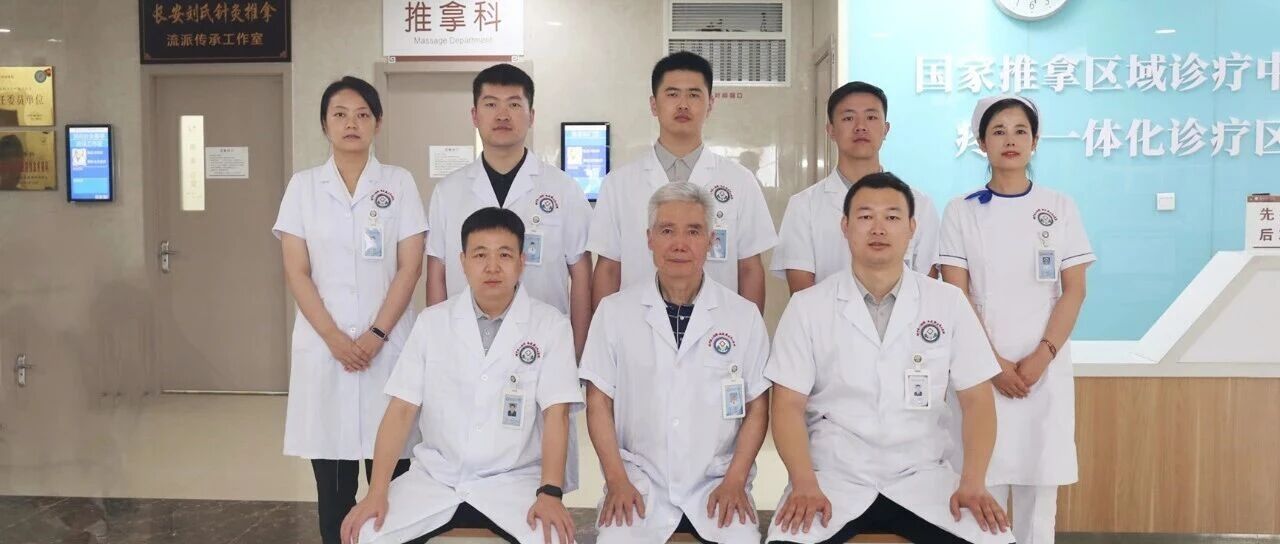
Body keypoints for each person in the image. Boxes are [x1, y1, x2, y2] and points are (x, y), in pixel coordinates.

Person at [766, 172, 1012, 544]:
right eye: (865, 216)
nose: (878, 228)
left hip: (923, 476)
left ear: (912, 228)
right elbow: (786, 405)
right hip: (833, 477)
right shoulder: (807, 307)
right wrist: (803, 482)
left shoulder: (947, 302)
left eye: (892, 217)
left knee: (994, 540)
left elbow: (977, 400)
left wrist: (974, 482)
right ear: (845, 227)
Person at [343, 207, 580, 544]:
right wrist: (376, 492)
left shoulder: (550, 325)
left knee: (552, 539)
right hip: (436, 478)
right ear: (463, 262)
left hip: (513, 481)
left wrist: (551, 493)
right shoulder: (432, 322)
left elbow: (557, 415)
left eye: (504, 255)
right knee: (366, 534)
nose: (492, 267)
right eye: (480, 255)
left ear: (522, 262)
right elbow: (401, 410)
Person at [271, 76, 428, 544]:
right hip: (327, 353)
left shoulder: (398, 183)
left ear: (377, 122)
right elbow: (297, 271)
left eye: (362, 114)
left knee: (396, 484)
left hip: (387, 349)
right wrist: (336, 339)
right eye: (339, 114)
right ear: (325, 124)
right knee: (334, 490)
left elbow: (410, 266)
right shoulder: (303, 187)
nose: (351, 123)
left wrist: (376, 335)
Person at [938, 95, 1095, 544]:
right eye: (998, 131)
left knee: (1038, 499)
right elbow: (955, 294)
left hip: (1044, 370)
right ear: (981, 143)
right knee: (979, 492)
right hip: (980, 372)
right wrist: (993, 365)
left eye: (1020, 130)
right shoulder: (962, 210)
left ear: (1035, 141)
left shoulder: (1060, 206)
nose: (1010, 140)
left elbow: (1074, 289)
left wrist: (1042, 356)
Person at [581, 182, 772, 543]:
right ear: (649, 239)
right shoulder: (614, 312)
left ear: (711, 241)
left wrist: (735, 480)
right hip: (639, 480)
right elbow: (598, 402)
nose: (680, 244)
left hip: (717, 480)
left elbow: (758, 407)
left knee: (741, 539)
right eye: (667, 230)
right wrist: (617, 479)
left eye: (693, 231)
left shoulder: (743, 316)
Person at [588, 51, 776, 313]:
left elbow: (749, 268)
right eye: (672, 94)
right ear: (654, 105)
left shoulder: (740, 181)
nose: (683, 104)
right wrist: (602, 331)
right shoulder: (618, 184)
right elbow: (608, 269)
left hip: (718, 328)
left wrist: (748, 331)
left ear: (710, 104)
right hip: (635, 325)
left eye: (694, 95)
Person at [426, 63, 594, 357]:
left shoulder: (564, 189)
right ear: (475, 115)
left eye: (514, 104)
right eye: (491, 104)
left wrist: (578, 354)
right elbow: (437, 274)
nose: (502, 115)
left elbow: (581, 275)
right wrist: (439, 350)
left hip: (543, 348)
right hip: (463, 349)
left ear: (531, 116)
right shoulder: (448, 191)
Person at [772, 81, 941, 295]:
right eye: (848, 118)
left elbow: (926, 291)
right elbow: (801, 295)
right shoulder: (803, 206)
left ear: (886, 129)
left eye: (871, 117)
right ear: (831, 130)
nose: (860, 126)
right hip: (826, 317)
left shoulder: (920, 204)